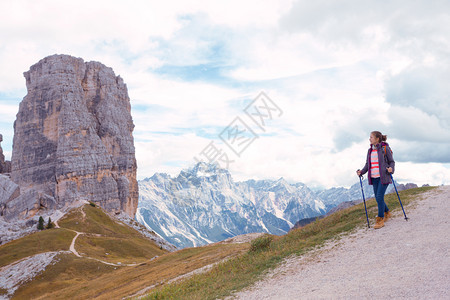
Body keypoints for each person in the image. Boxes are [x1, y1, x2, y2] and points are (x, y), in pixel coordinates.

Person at [357, 131, 395, 229]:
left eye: (371, 137)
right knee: (378, 198)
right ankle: (387, 212)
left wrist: (391, 169)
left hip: (384, 177)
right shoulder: (370, 151)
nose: (369, 139)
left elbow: (391, 162)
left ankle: (380, 219)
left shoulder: (385, 149)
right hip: (374, 178)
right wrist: (362, 172)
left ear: (377, 139)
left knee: (379, 197)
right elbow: (367, 164)